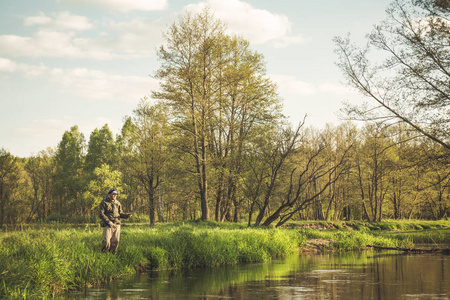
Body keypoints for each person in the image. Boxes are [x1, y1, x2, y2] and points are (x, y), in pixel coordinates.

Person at [98, 188, 132, 254]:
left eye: (116, 194)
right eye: (113, 194)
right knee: (106, 241)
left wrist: (127, 215)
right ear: (109, 194)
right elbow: (101, 214)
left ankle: (113, 254)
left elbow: (120, 214)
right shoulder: (104, 202)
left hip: (117, 224)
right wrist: (108, 222)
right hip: (108, 224)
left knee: (115, 241)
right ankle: (103, 254)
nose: (115, 196)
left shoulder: (118, 203)